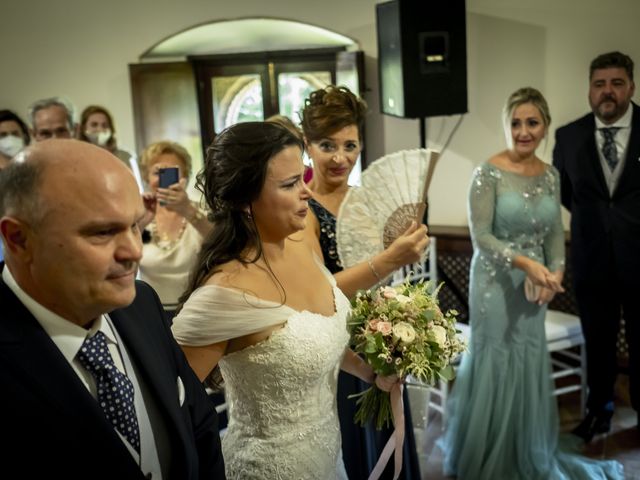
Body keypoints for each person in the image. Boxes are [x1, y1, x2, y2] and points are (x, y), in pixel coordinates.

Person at [171, 121, 397, 479]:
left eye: (303, 177)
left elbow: (317, 337)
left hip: (328, 458)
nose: (307, 192)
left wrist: (369, 372)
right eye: (290, 184)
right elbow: (170, 407)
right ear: (245, 202)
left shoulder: (302, 243)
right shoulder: (225, 292)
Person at [0, 139, 225, 479]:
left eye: (135, 226)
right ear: (19, 239)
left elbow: (200, 426)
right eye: (103, 233)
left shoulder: (142, 304)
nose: (133, 251)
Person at [440, 87, 623, 479]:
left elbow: (556, 233)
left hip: (535, 286)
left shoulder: (552, 175)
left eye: (532, 123)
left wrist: (553, 273)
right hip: (494, 282)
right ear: (507, 126)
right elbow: (482, 239)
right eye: (515, 123)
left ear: (545, 128)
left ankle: (525, 448)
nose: (523, 131)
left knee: (526, 358)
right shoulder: (486, 172)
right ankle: (486, 453)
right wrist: (526, 263)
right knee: (495, 360)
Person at [299, 85, 428, 479]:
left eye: (350, 145)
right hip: (336, 345)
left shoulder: (369, 201)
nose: (341, 158)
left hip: (383, 335)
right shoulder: (301, 208)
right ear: (307, 146)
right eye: (327, 145)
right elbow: (318, 288)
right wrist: (390, 258)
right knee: (351, 445)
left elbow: (392, 273)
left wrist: (405, 319)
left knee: (390, 440)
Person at [553, 51, 640, 442]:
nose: (608, 92)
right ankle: (599, 412)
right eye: (600, 83)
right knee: (599, 343)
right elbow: (567, 194)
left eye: (617, 83)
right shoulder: (567, 136)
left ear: (631, 88)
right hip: (591, 260)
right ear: (590, 89)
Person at [138, 140, 211, 317]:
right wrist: (140, 223)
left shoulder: (200, 212)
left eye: (172, 172)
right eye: (158, 172)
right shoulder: (139, 215)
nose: (164, 179)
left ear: (185, 177)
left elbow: (221, 243)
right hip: (151, 313)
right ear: (147, 177)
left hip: (196, 311)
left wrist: (188, 210)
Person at [78, 105, 140, 177]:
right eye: (94, 125)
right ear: (83, 128)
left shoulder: (126, 157)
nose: (100, 129)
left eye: (104, 125)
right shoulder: (77, 157)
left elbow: (135, 184)